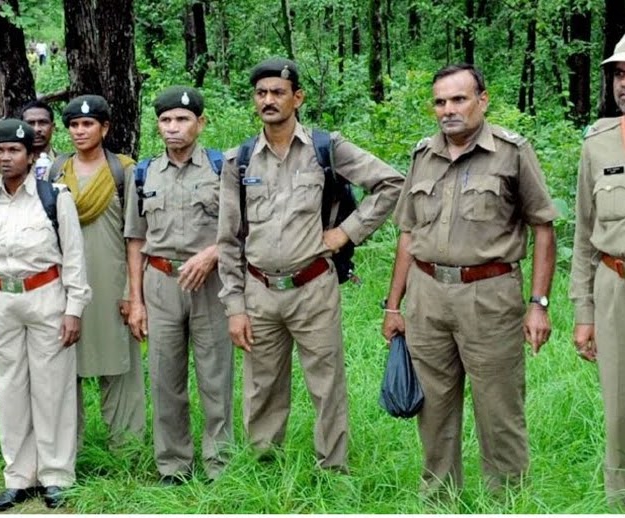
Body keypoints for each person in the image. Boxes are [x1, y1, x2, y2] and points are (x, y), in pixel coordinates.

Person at [217, 58, 403, 470]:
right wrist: (234, 307)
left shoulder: (326, 148)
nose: (269, 100)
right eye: (262, 94)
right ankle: (263, 468)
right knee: (261, 387)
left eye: (278, 93)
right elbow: (229, 240)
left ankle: (333, 468)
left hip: (314, 288)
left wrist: (346, 233)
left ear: (297, 98)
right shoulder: (239, 161)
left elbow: (391, 183)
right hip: (259, 292)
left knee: (326, 384)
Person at [382, 63, 557, 496]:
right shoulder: (423, 155)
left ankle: (506, 498)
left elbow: (543, 226)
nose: (448, 110)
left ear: (482, 100)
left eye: (458, 99)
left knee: (499, 408)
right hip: (427, 297)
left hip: (489, 295)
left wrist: (538, 303)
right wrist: (393, 305)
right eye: (440, 102)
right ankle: (439, 497)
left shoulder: (511, 152)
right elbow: (408, 233)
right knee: (434, 408)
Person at [0, 118, 91, 511]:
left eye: (13, 150)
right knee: (9, 390)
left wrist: (74, 310)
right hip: (2, 300)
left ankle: (55, 475)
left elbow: (74, 258)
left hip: (46, 297)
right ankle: (19, 477)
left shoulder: (54, 197)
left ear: (30, 154)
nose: (5, 157)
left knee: (52, 390)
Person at [125, 86, 233, 484]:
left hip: (210, 283)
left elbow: (241, 229)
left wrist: (213, 254)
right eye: (166, 120)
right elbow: (135, 239)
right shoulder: (143, 172)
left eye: (183, 119)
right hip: (160, 283)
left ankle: (220, 464)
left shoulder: (223, 169)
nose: (173, 128)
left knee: (215, 377)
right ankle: (173, 464)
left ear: (201, 123)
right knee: (165, 379)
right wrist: (135, 300)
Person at [54, 94, 146, 449]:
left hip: (111, 281)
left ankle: (127, 447)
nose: (80, 131)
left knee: (119, 363)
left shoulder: (123, 170)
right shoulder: (56, 171)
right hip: (65, 285)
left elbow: (135, 235)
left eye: (88, 124)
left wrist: (131, 292)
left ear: (104, 127)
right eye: (74, 125)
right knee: (63, 365)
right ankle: (66, 448)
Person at [569, 35, 625, 507]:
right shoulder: (599, 143)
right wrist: (583, 310)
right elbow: (584, 235)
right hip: (615, 285)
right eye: (620, 74)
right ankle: (617, 498)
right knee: (618, 405)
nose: (624, 83)